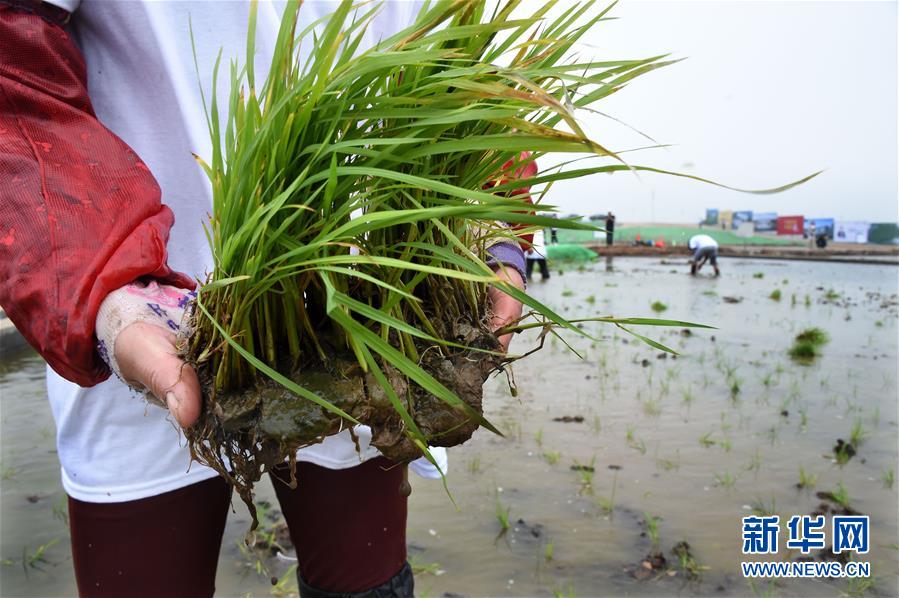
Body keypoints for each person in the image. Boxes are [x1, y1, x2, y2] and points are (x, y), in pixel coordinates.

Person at [0, 2, 526, 596]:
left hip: (367, 319)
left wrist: (489, 229)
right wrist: (99, 278)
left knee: (367, 583)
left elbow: (467, 74)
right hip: (136, 310)